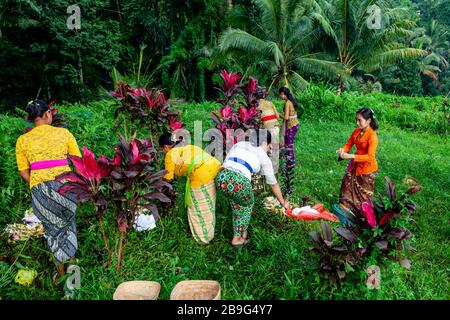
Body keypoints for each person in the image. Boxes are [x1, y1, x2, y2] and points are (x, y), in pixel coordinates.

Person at [15, 99, 81, 280]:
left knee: (52, 232)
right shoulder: (64, 133)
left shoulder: (22, 140)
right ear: (46, 114)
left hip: (41, 190)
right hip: (66, 187)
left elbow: (23, 172)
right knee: (69, 228)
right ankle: (74, 279)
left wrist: (38, 185)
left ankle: (60, 277)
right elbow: (77, 161)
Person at [215, 129, 290, 247]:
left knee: (237, 202)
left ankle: (240, 231)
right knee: (248, 203)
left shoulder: (239, 144)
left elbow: (229, 161)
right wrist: (283, 202)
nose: (270, 150)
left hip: (221, 177)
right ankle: (237, 238)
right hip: (238, 181)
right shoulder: (263, 156)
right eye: (270, 146)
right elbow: (273, 184)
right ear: (265, 143)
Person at [159, 133, 221, 244]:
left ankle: (203, 238)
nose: (163, 152)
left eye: (162, 149)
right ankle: (210, 230)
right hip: (214, 167)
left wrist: (157, 184)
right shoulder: (187, 147)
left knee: (198, 208)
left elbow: (168, 178)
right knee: (208, 204)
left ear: (166, 147)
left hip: (200, 176)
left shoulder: (170, 154)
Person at [337, 108, 379, 212]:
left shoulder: (372, 136)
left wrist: (351, 156)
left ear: (368, 121)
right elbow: (348, 144)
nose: (357, 123)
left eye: (359, 120)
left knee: (363, 194)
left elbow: (370, 157)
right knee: (347, 185)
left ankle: (362, 215)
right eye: (356, 119)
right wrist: (343, 150)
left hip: (367, 169)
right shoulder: (356, 131)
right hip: (356, 164)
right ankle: (346, 209)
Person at [278, 87, 300, 194]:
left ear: (284, 94)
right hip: (295, 124)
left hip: (291, 126)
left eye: (281, 94)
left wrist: (278, 115)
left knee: (289, 145)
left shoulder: (287, 103)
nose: (280, 96)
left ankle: (291, 162)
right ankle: (289, 159)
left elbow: (286, 117)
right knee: (288, 144)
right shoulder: (291, 100)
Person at [256, 87, 280, 172]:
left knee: (265, 149)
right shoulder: (270, 103)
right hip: (276, 126)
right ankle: (275, 170)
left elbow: (257, 121)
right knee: (275, 148)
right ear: (264, 96)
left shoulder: (257, 106)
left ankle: (266, 169)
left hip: (266, 129)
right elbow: (277, 116)